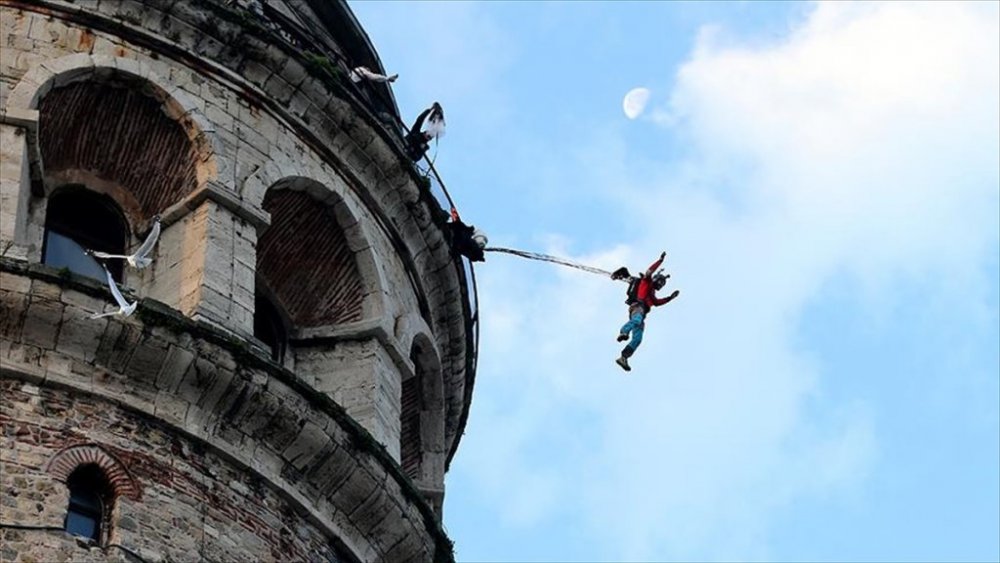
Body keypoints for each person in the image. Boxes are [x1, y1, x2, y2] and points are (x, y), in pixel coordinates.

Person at [615, 251, 679, 372]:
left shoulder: (652, 295)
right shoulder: (646, 282)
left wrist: (670, 298)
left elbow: (658, 302)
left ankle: (624, 357)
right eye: (660, 282)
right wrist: (660, 261)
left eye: (662, 284)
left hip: (642, 314)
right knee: (637, 319)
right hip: (637, 307)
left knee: (638, 339)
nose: (660, 285)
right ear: (655, 279)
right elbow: (649, 271)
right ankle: (624, 332)